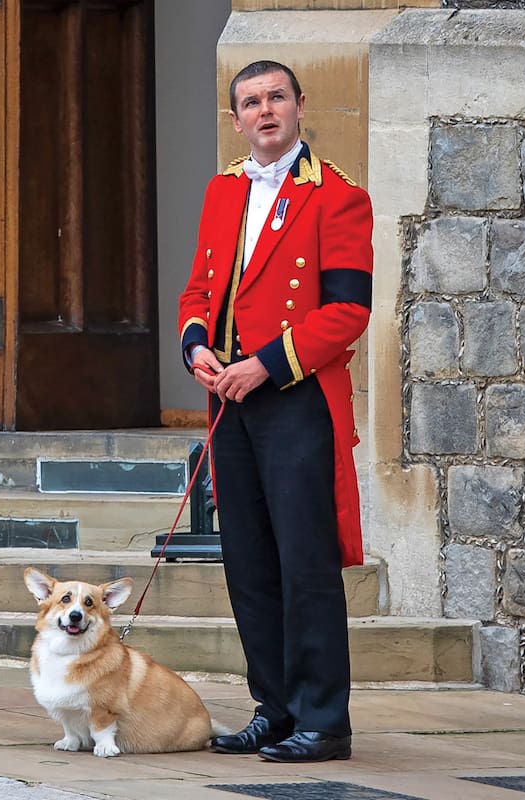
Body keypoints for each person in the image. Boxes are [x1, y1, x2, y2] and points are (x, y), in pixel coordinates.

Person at [177, 60, 372, 763]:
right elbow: (199, 290)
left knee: (304, 563)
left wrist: (266, 362)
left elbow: (349, 310)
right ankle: (276, 707)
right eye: (250, 102)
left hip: (294, 399)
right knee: (249, 562)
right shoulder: (223, 188)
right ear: (236, 118)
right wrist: (197, 348)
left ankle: (325, 718)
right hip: (231, 399)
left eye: (276, 98)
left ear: (298, 106)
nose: (265, 111)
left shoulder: (338, 197)